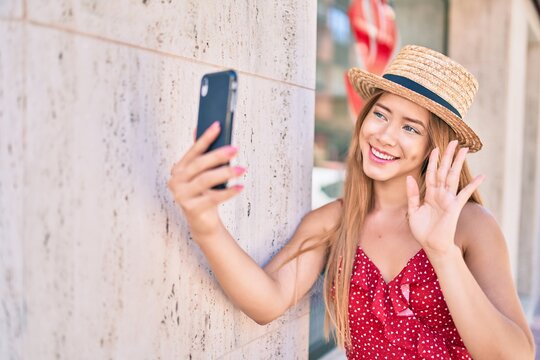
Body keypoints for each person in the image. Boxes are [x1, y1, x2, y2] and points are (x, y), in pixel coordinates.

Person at [167, 45, 535, 359]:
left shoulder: (470, 226)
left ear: (431, 148)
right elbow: (267, 301)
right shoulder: (333, 222)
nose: (385, 135)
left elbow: (515, 354)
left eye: (410, 128)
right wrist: (206, 225)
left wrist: (442, 253)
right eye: (380, 114)